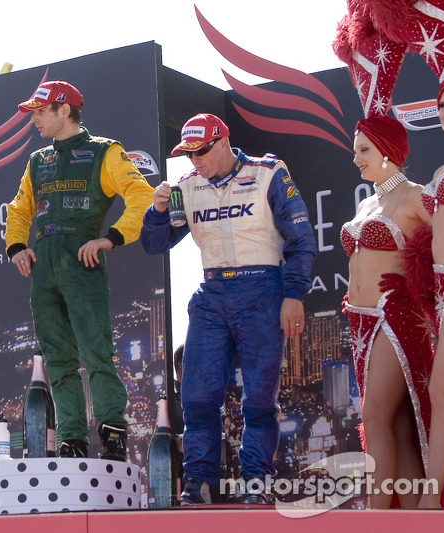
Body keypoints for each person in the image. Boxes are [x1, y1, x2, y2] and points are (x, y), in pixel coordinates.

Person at [140, 113, 316, 504]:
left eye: (200, 150)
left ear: (222, 142)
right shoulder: (186, 187)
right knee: (198, 396)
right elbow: (154, 245)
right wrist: (155, 211)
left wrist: (294, 294)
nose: (194, 160)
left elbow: (301, 238)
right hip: (213, 292)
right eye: (187, 153)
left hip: (263, 289)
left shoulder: (268, 173)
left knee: (258, 398)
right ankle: (197, 484)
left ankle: (257, 482)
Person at [5, 80, 154, 461]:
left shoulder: (104, 151)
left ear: (64, 111)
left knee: (96, 351)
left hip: (81, 258)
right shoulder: (38, 160)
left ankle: (114, 433)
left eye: (40, 112)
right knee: (57, 357)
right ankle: (71, 439)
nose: (34, 120)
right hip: (44, 266)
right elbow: (20, 209)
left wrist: (113, 237)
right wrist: (18, 246)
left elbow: (141, 194)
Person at [341, 115, 432, 509]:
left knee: (375, 415)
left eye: (363, 150)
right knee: (397, 424)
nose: (356, 159)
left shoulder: (415, 196)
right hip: (359, 321)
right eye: (356, 150)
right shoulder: (367, 202)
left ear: (388, 149)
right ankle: (412, 521)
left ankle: (376, 519)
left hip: (394, 316)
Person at [418, 80, 444, 509]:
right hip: (443, 289)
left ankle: (429, 501)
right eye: (442, 104)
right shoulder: (443, 173)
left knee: (443, 390)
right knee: (443, 394)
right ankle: (431, 501)